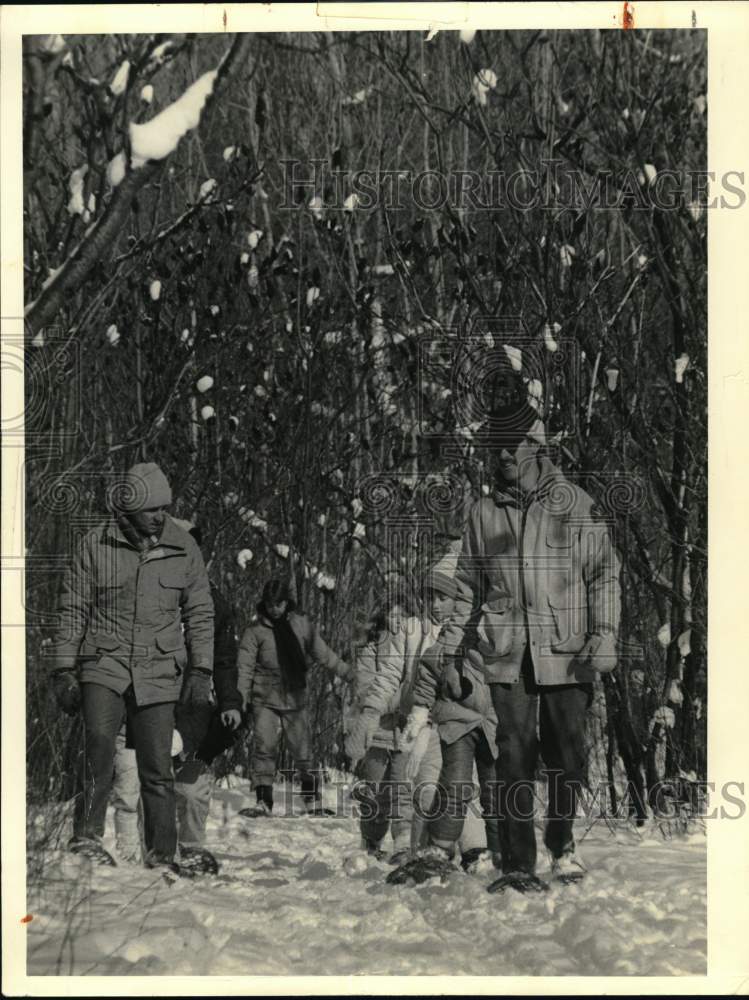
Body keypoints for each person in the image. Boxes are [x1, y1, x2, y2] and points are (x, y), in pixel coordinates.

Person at [442, 393, 622, 893]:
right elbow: (466, 590)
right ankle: (517, 865)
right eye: (493, 447)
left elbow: (605, 573)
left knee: (568, 757)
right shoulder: (481, 514)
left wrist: (606, 634)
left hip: (568, 652)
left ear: (535, 445)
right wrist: (451, 653)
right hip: (506, 654)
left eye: (509, 446)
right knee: (512, 759)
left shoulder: (575, 505)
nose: (499, 455)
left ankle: (561, 844)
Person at [50, 462, 214, 876]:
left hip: (158, 669)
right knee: (98, 751)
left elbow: (200, 612)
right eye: (151, 509)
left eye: (165, 507)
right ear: (128, 509)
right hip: (103, 662)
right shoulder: (95, 544)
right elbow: (73, 608)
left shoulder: (183, 548)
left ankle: (162, 857)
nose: (160, 516)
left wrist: (202, 670)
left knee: (157, 767)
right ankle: (86, 840)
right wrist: (63, 669)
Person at [381, 567, 502, 886]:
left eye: (442, 597)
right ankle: (425, 851)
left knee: (482, 790)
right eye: (429, 598)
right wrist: (412, 715)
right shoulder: (418, 634)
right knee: (436, 787)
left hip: (480, 725)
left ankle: (484, 851)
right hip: (438, 725)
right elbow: (413, 676)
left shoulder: (478, 629)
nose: (434, 604)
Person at [236, 578, 351, 816]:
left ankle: (311, 799)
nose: (274, 609)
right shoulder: (255, 631)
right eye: (270, 604)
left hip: (295, 694)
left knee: (302, 750)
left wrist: (349, 673)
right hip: (264, 694)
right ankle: (263, 800)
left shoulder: (301, 625)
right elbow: (244, 667)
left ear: (287, 602)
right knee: (264, 746)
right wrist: (241, 697)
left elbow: (323, 654)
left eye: (278, 604)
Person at [343, 589, 437, 864]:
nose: (397, 622)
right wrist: (396, 699)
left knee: (402, 788)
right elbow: (366, 689)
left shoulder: (415, 645)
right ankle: (371, 839)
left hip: (406, 731)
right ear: (382, 620)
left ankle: (403, 842)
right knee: (375, 790)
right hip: (378, 733)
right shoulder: (371, 650)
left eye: (402, 616)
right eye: (391, 616)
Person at [172, 524, 242, 871]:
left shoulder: (215, 600)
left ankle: (191, 847)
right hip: (153, 695)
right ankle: (150, 849)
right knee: (149, 781)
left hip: (197, 702)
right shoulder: (149, 589)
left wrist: (230, 702)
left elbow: (226, 658)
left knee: (190, 783)